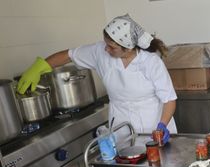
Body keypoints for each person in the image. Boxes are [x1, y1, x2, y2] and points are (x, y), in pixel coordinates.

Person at [17, 14, 177, 143]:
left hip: (154, 125)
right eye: (106, 43)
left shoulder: (150, 62)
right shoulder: (100, 52)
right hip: (121, 124)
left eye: (112, 47)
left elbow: (169, 99)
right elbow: (68, 55)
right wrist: (39, 66)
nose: (106, 49)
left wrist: (162, 125)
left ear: (128, 47)